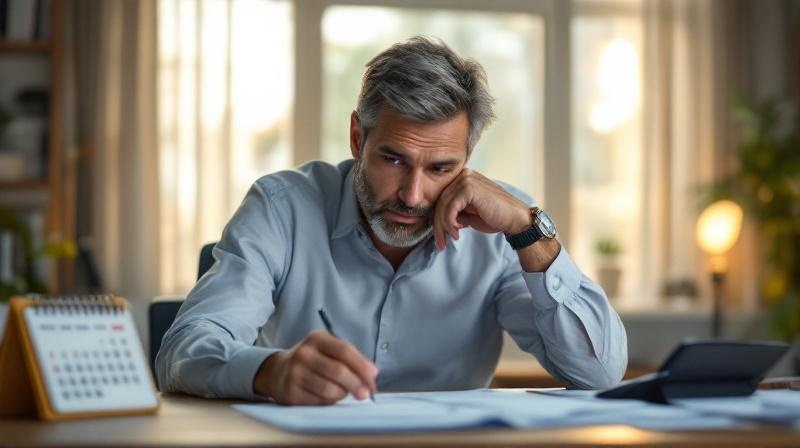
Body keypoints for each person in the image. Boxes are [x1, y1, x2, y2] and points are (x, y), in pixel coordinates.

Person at [156, 36, 627, 405]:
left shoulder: (504, 228)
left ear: (467, 159)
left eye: (440, 168)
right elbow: (183, 350)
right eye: (394, 159)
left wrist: (529, 233)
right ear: (356, 137)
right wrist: (270, 372)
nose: (413, 195)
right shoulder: (283, 208)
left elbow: (600, 373)